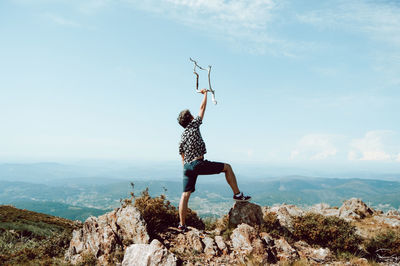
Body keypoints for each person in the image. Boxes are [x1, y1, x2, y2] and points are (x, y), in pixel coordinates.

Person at [177, 89, 251, 232]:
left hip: (186, 166)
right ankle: (237, 194)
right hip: (198, 163)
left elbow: (181, 154)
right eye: (191, 115)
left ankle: (182, 224)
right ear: (190, 118)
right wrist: (205, 94)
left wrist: (187, 167)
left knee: (185, 195)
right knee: (227, 167)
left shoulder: (182, 136)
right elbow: (202, 108)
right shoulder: (193, 126)